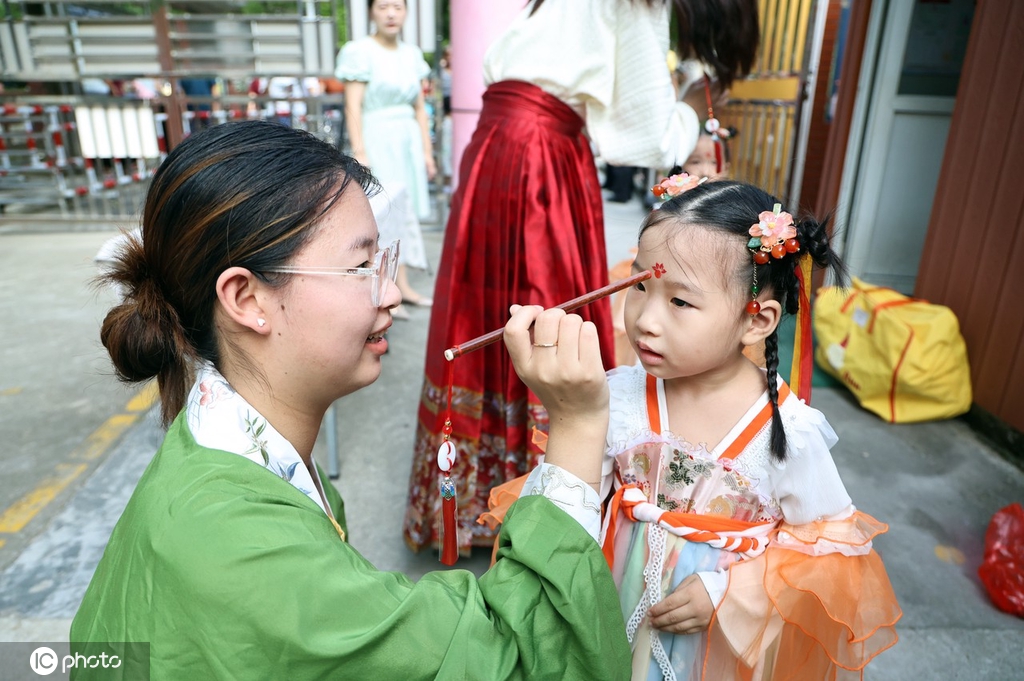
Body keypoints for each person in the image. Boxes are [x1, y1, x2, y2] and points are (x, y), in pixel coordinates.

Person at [68, 120, 632, 679]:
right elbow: (515, 662)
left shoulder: (223, 446)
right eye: (360, 266)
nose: (389, 293)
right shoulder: (243, 547)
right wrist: (579, 423)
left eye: (382, 264)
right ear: (246, 297)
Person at [405, 0, 760, 556]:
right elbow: (645, 140)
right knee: (550, 320)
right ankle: (552, 497)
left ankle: (473, 502)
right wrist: (692, 100)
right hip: (542, 165)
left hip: (495, 153)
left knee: (495, 318)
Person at [599, 180, 902, 679]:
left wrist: (729, 593)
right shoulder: (621, 396)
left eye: (680, 302)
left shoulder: (786, 431)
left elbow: (828, 551)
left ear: (757, 321)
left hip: (716, 647)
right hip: (609, 611)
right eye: (639, 287)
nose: (645, 320)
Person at [336, 0, 435, 317]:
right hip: (378, 137)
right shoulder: (359, 51)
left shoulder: (412, 55)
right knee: (385, 213)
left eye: (397, 6)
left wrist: (427, 152)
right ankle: (383, 291)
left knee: (405, 214)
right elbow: (353, 105)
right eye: (383, 6)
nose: (391, 13)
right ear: (371, 12)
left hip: (407, 139)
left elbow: (420, 108)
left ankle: (401, 287)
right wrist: (360, 149)